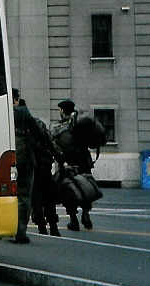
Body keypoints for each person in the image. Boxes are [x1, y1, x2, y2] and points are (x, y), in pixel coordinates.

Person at [51, 99, 95, 231]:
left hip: (68, 163)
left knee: (69, 191)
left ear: (63, 111)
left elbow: (54, 144)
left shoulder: (60, 127)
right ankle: (86, 214)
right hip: (84, 162)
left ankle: (73, 220)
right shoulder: (81, 124)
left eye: (59, 110)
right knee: (86, 188)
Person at [12, 89, 44, 243]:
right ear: (16, 99)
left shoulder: (0, 111)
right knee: (24, 195)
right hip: (24, 158)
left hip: (4, 159)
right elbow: (39, 133)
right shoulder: (23, 112)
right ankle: (20, 232)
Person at [30, 118, 61, 236]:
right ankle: (54, 227)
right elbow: (54, 149)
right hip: (46, 170)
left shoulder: (30, 136)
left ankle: (42, 226)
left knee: (36, 200)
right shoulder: (44, 133)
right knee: (49, 200)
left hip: (35, 171)